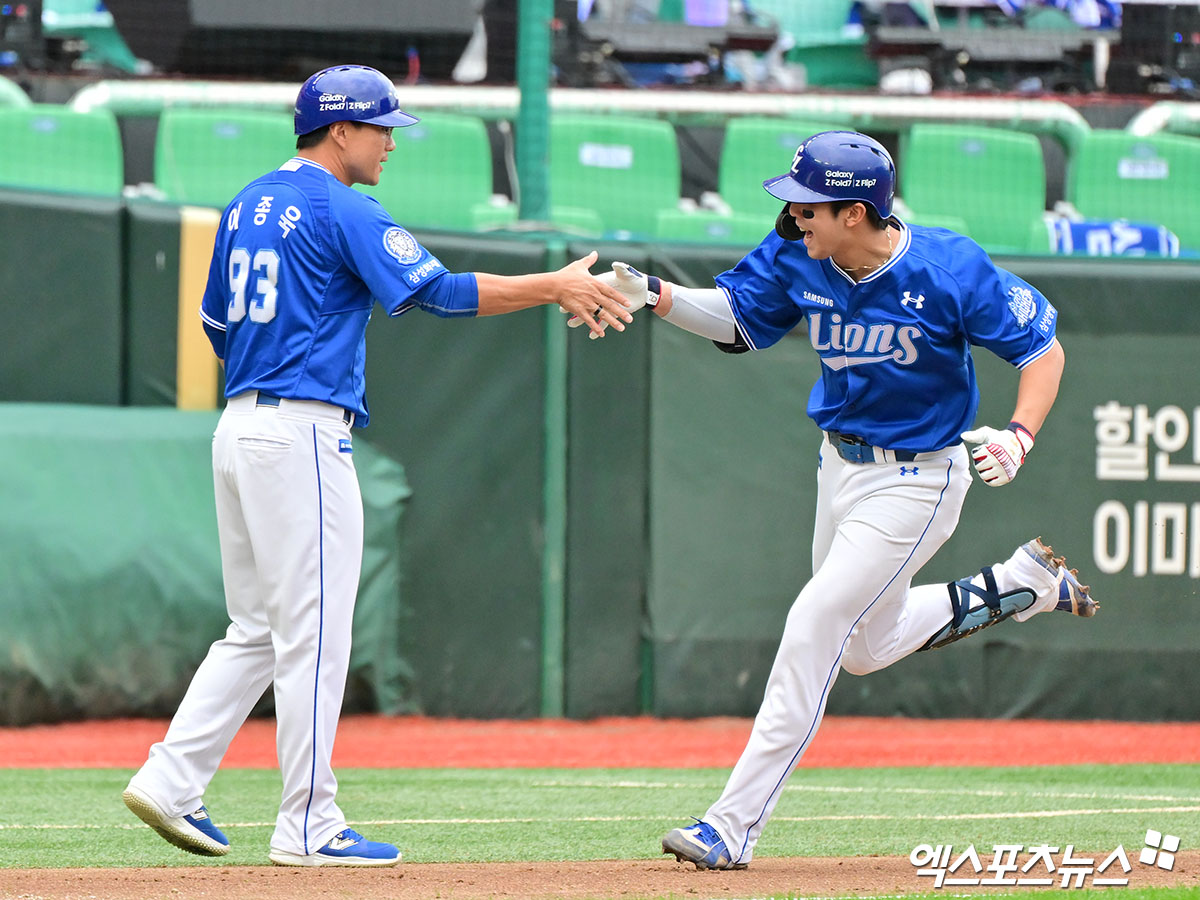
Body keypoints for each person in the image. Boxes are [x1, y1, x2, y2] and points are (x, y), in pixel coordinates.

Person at [121, 64, 630, 868]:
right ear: (340, 130)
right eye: (381, 128)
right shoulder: (341, 204)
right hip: (301, 432)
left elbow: (217, 326)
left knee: (258, 628)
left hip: (240, 425)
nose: (391, 142)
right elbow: (439, 292)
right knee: (314, 634)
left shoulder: (247, 203)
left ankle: (171, 777)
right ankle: (309, 825)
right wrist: (554, 284)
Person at [574, 130, 1099, 870]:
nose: (793, 216)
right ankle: (1021, 585)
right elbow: (737, 321)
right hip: (839, 467)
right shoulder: (800, 249)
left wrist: (1019, 435)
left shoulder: (948, 268)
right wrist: (657, 296)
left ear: (855, 212)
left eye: (809, 205)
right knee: (862, 649)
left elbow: (1042, 350)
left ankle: (731, 825)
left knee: (815, 622)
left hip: (918, 479)